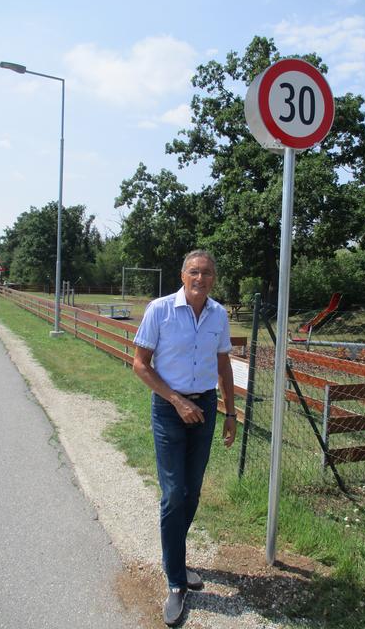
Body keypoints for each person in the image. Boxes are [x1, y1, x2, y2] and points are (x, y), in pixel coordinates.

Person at [133, 249, 236, 627]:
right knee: (175, 492)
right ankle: (176, 580)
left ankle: (175, 554)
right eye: (194, 272)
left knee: (192, 491)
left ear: (214, 278)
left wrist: (231, 412)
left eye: (207, 273)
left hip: (205, 408)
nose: (201, 278)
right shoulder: (159, 310)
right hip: (169, 408)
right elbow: (140, 365)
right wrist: (176, 401)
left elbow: (223, 363)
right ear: (182, 274)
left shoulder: (219, 315)